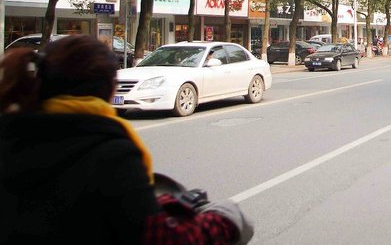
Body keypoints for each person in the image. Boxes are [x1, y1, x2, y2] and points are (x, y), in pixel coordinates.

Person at [0, 35, 252, 244]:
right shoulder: (110, 153)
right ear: (110, 87)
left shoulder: (11, 131)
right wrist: (225, 218)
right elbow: (160, 237)